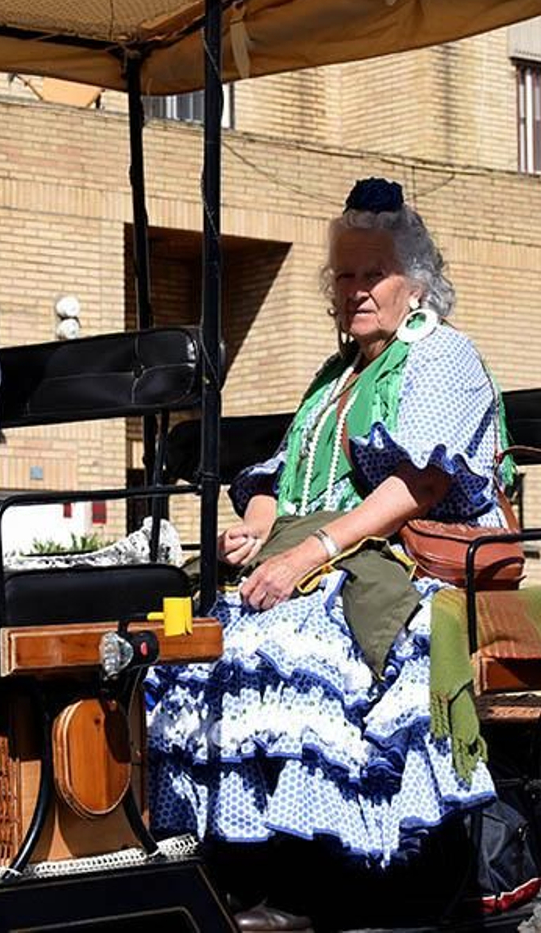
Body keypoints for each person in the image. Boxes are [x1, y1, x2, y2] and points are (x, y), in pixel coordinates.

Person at [146, 178, 503, 930]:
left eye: (372, 273)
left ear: (416, 283)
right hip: (321, 551)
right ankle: (218, 858)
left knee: (278, 645)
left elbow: (421, 482)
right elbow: (281, 477)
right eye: (343, 274)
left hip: (405, 554)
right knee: (184, 638)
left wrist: (308, 553)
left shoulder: (442, 355)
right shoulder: (334, 373)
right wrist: (253, 526)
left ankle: (305, 882)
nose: (355, 289)